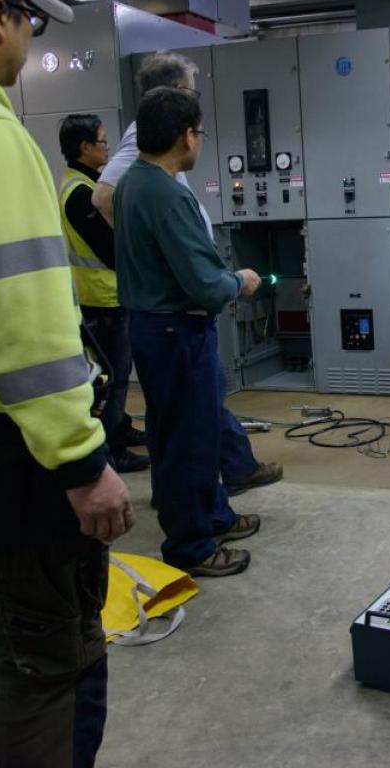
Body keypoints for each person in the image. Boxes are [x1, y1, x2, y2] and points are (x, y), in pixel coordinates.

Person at [0, 0, 135, 765]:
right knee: (48, 670)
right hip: (11, 464)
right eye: (30, 18)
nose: (33, 38)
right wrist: (80, 460)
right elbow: (25, 321)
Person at [93, 51, 282, 498]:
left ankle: (204, 488)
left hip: (160, 317)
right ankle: (199, 526)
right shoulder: (149, 172)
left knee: (182, 416)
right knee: (191, 423)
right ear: (182, 119)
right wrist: (235, 281)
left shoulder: (146, 174)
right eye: (196, 112)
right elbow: (104, 199)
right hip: (175, 318)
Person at [114, 86, 264, 577]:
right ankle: (192, 545)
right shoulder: (166, 194)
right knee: (189, 440)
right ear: (185, 136)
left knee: (180, 431)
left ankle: (214, 515)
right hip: (177, 332)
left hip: (153, 331)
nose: (200, 142)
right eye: (200, 132)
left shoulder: (134, 182)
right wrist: (239, 282)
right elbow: (203, 284)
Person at [58, 113, 149, 474]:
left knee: (118, 371)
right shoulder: (80, 194)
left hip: (108, 296)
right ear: (84, 147)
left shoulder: (88, 183)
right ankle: (112, 446)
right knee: (115, 374)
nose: (108, 148)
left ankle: (121, 428)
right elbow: (109, 248)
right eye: (102, 142)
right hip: (102, 299)